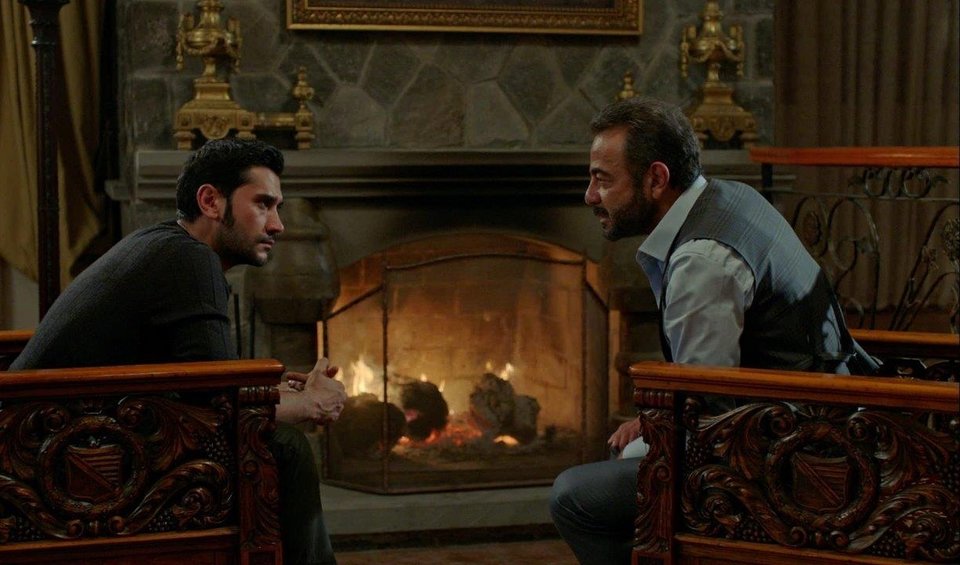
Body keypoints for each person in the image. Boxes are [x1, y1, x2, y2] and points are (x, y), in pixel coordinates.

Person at [549, 97, 876, 564]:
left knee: (575, 497)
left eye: (603, 179)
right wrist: (653, 421)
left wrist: (651, 433)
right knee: (625, 460)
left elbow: (708, 416)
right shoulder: (728, 196)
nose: (590, 196)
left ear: (656, 179)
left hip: (795, 452)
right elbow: (705, 383)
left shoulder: (702, 260)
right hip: (816, 416)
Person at [12, 138, 347, 565]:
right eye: (263, 204)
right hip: (54, 457)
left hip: (57, 433)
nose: (278, 225)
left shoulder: (165, 244)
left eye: (277, 207)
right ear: (210, 201)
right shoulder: (190, 261)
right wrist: (308, 404)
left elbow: (203, 377)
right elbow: (215, 406)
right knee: (286, 446)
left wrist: (275, 389)